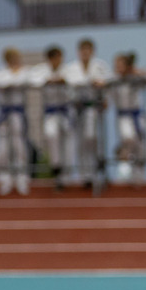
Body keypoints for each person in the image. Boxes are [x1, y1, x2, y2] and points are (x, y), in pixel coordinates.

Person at [64, 38, 111, 188]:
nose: (85, 53)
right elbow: (70, 84)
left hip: (92, 107)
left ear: (92, 51)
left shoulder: (100, 66)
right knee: (79, 142)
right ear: (79, 52)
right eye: (82, 50)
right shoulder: (71, 68)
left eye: (88, 50)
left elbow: (107, 83)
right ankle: (84, 176)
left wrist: (104, 95)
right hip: (77, 108)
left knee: (91, 137)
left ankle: (94, 171)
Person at [30, 46, 77, 191]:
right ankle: (56, 166)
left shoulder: (68, 70)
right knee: (51, 135)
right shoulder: (42, 70)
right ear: (49, 59)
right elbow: (33, 80)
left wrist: (64, 80)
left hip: (65, 111)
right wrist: (48, 80)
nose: (57, 61)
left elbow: (77, 80)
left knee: (68, 142)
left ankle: (66, 173)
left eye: (59, 57)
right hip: (50, 111)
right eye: (54, 58)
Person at [0, 47, 32, 195]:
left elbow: (26, 80)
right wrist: (12, 80)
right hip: (4, 113)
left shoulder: (24, 72)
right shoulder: (0, 73)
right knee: (3, 148)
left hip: (18, 113)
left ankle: (21, 178)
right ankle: (5, 178)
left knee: (19, 145)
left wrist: (14, 79)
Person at [108, 52, 146, 185]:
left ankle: (139, 175)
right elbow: (108, 95)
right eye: (117, 65)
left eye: (121, 65)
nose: (119, 68)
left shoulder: (135, 78)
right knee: (128, 138)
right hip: (123, 116)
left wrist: (137, 72)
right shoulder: (113, 80)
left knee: (141, 146)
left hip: (138, 115)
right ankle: (125, 170)